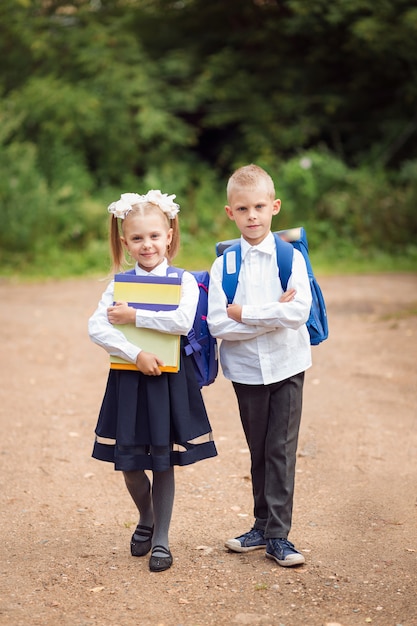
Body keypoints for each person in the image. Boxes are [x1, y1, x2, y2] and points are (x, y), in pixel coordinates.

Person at [88, 190, 217, 572]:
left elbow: (181, 322)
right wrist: (135, 354)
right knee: (129, 462)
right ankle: (146, 516)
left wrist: (134, 317)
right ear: (126, 242)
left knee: (162, 461)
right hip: (129, 379)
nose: (148, 245)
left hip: (168, 381)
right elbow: (97, 326)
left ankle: (161, 538)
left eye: (155, 236)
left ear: (170, 236)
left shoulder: (185, 282)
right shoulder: (118, 285)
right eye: (138, 238)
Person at [207, 165, 312, 567]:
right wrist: (270, 316)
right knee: (258, 450)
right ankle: (260, 524)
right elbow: (218, 324)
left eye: (260, 207)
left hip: (288, 364)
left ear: (275, 207)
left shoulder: (290, 257)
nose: (253, 215)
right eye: (243, 208)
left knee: (280, 449)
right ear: (230, 212)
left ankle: (279, 536)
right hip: (247, 371)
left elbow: (298, 311)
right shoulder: (225, 265)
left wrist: (244, 314)